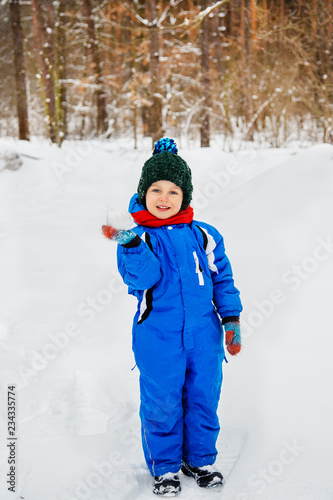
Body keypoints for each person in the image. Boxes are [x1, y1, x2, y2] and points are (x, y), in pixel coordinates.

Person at [102, 138, 242, 497]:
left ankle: (199, 459)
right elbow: (142, 279)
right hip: (157, 337)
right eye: (156, 189)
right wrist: (131, 244)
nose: (164, 198)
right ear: (143, 192)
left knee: (203, 396)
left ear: (186, 197)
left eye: (174, 191)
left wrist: (231, 319)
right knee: (162, 399)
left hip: (204, 336)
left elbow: (222, 278)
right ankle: (164, 466)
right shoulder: (136, 236)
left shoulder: (204, 234)